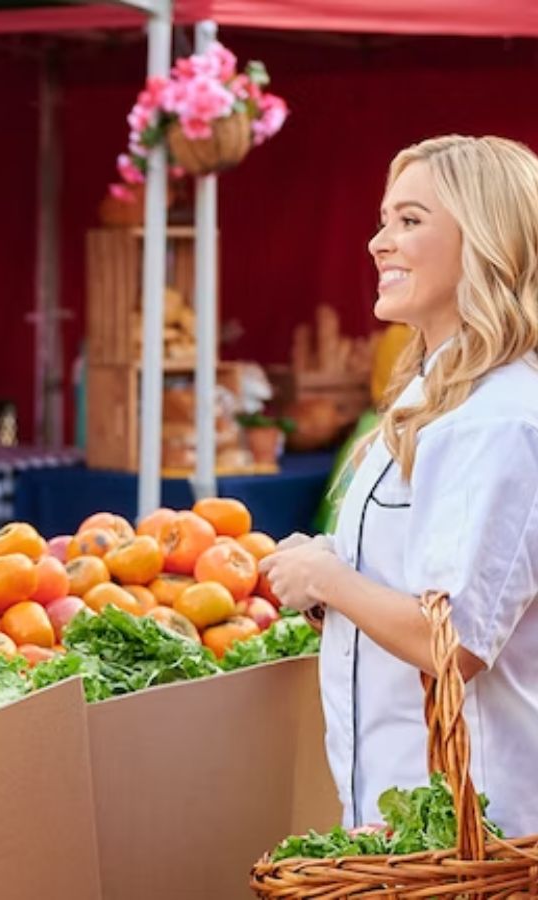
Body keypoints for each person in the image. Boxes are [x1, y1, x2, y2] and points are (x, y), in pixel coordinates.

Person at [260, 135, 538, 838]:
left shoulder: (497, 419)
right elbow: (427, 583)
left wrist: (327, 578)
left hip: (478, 829)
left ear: (486, 241)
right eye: (385, 220)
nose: (380, 242)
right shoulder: (433, 395)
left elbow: (457, 644)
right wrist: (334, 578)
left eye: (410, 221)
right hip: (410, 820)